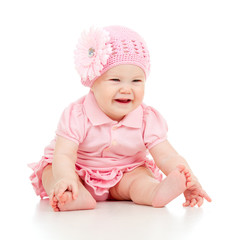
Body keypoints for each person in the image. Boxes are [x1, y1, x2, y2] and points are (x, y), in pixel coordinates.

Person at [29, 25, 211, 212]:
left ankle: (155, 192)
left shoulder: (147, 119)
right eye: (115, 80)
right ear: (93, 83)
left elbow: (167, 155)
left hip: (125, 173)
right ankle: (71, 193)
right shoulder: (77, 114)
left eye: (136, 81)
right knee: (51, 172)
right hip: (78, 171)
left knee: (140, 178)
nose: (126, 89)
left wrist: (190, 180)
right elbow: (64, 154)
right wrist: (66, 177)